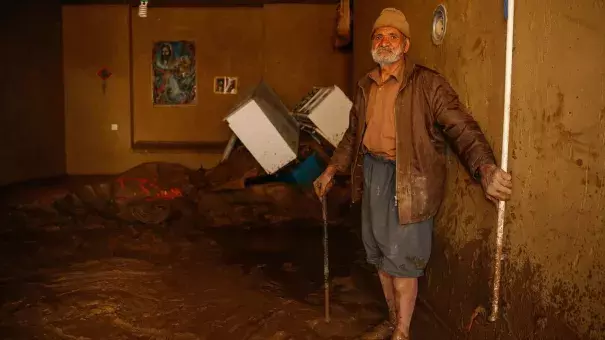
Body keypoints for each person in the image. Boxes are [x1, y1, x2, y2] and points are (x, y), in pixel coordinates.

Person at [313, 8, 513, 340]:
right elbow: (353, 135)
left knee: (402, 261)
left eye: (393, 36)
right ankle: (393, 320)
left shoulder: (427, 84)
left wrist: (486, 168)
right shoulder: (366, 86)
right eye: (378, 36)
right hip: (373, 175)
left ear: (405, 46)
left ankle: (402, 332)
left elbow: (461, 128)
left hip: (410, 181)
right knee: (378, 253)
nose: (384, 41)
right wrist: (332, 169)